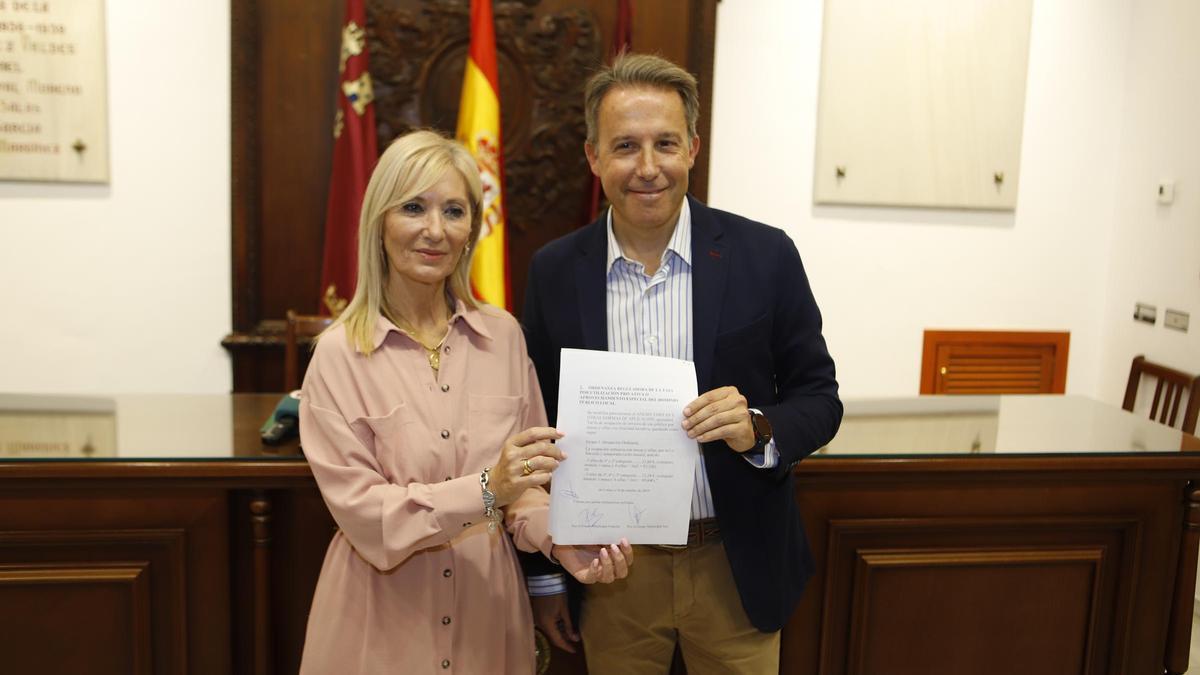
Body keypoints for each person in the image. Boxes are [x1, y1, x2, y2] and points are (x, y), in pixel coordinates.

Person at [521, 54, 842, 673]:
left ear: (693, 147)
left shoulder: (765, 255)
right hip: (612, 571)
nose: (647, 168)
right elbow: (535, 428)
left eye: (665, 143)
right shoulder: (554, 272)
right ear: (593, 157)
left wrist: (759, 427)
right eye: (624, 146)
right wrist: (544, 580)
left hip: (734, 564)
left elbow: (820, 399)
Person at [298, 129, 632, 674]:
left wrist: (563, 542)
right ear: (379, 222)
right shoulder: (337, 355)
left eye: (454, 211)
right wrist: (484, 490)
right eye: (413, 207)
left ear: (472, 229)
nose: (435, 230)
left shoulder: (503, 337)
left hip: (488, 617)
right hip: (378, 623)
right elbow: (367, 518)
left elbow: (526, 488)